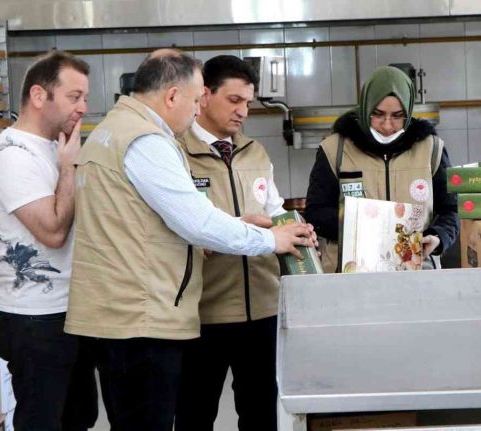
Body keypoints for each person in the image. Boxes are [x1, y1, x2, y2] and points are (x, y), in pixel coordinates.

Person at [64, 49, 314, 431]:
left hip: (125, 315)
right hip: (142, 317)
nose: (197, 110)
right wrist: (269, 240)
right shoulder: (146, 141)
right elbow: (197, 222)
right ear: (172, 96)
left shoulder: (114, 131)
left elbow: (151, 223)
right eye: (197, 100)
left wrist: (246, 225)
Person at [175, 55, 284, 431]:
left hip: (263, 308)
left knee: (261, 414)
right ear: (205, 95)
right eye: (234, 100)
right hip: (204, 311)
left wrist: (294, 228)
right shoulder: (177, 153)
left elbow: (274, 209)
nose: (243, 112)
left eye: (248, 103)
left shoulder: (255, 152)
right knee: (195, 413)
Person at [0, 51, 98, 430]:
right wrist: (69, 166)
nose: (83, 107)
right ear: (39, 95)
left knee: (79, 417)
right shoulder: (13, 155)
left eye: (85, 97)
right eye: (74, 97)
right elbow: (54, 232)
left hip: (68, 310)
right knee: (42, 421)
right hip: (33, 318)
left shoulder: (56, 147)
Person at [305, 65, 459, 271]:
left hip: (416, 273)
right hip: (351, 273)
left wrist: (438, 237)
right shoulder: (336, 150)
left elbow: (451, 210)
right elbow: (316, 212)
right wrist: (364, 226)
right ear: (365, 108)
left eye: (397, 116)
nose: (387, 125)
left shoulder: (431, 149)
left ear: (408, 111)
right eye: (377, 114)